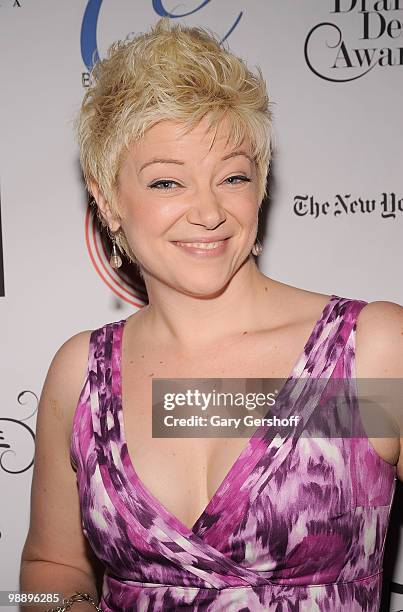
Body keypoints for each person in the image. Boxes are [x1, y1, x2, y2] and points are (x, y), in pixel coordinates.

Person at [20, 16, 403, 612]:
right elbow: (48, 568)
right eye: (168, 182)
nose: (208, 211)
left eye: (232, 176)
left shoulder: (369, 353)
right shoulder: (82, 377)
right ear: (107, 199)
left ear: (262, 184)